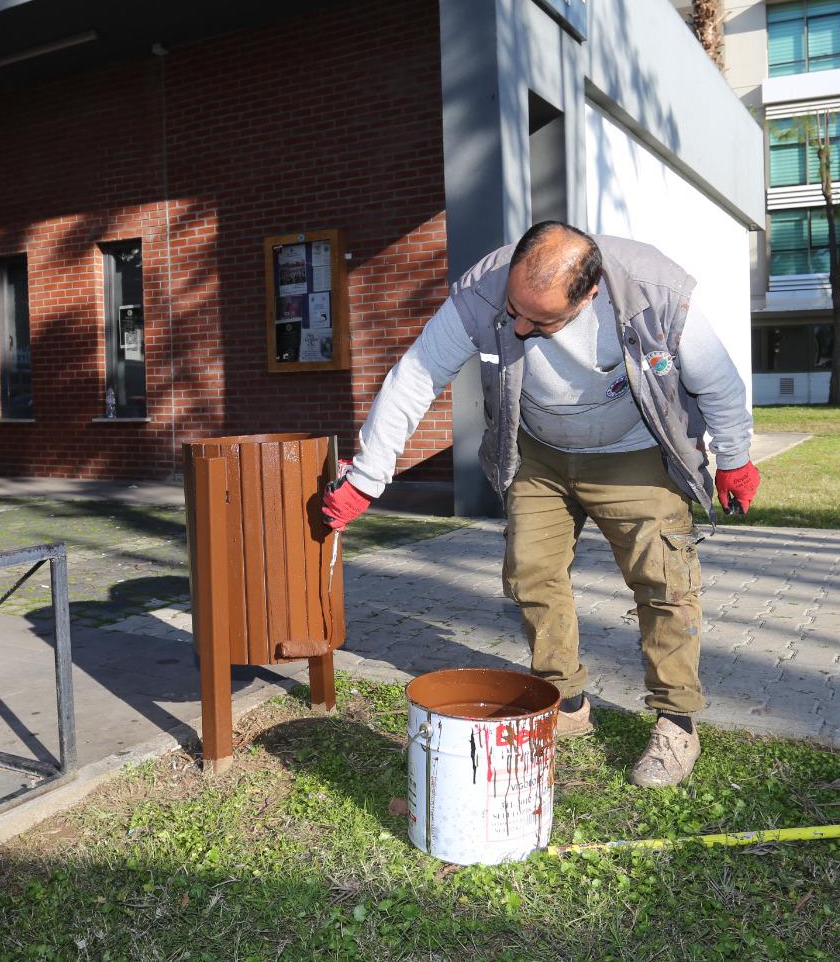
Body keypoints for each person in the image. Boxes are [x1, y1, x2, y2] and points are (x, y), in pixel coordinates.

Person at [322, 221, 760, 787]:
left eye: (542, 320)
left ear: (589, 293)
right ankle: (566, 701)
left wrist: (734, 458)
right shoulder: (482, 292)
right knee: (531, 574)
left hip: (634, 452)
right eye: (516, 311)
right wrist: (368, 478)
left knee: (664, 581)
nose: (521, 328)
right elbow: (415, 378)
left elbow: (718, 382)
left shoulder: (653, 293)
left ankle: (677, 721)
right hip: (539, 452)